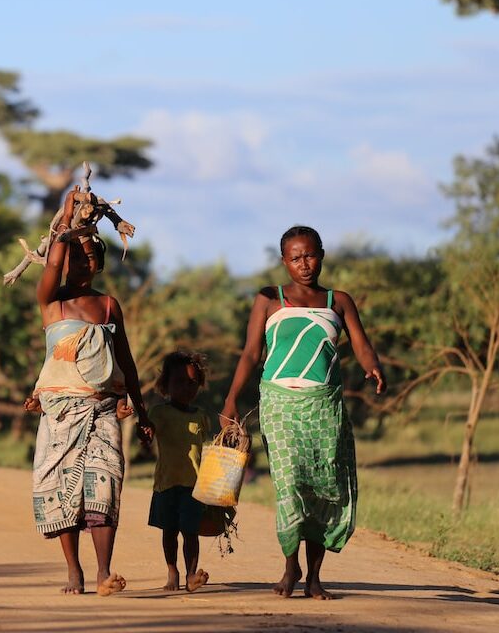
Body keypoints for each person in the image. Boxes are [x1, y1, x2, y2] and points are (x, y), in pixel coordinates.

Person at [220, 225, 385, 600]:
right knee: (290, 483)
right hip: (279, 403)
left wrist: (372, 366)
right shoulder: (269, 299)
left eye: (310, 255)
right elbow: (250, 353)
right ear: (284, 262)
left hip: (325, 406)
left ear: (322, 254)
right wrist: (231, 399)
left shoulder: (338, 301)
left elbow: (361, 344)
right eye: (295, 258)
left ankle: (313, 577)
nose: (304, 264)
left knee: (323, 489)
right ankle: (290, 564)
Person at [25, 186, 154, 596]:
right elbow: (53, 262)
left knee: (105, 484)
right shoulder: (52, 302)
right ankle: (74, 572)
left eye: (91, 256)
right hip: (61, 413)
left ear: (99, 262)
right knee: (63, 489)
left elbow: (127, 361)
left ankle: (103, 571)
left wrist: (142, 409)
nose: (84, 262)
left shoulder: (108, 306)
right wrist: (69, 217)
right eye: (76, 256)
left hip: (103, 410)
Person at [147, 350, 211, 592]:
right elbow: (149, 433)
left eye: (192, 383)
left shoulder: (202, 417)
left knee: (191, 531)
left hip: (194, 485)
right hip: (166, 483)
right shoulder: (159, 413)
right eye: (178, 382)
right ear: (166, 385)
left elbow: (208, 448)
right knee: (170, 531)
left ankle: (191, 574)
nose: (186, 388)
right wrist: (146, 434)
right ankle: (172, 570)